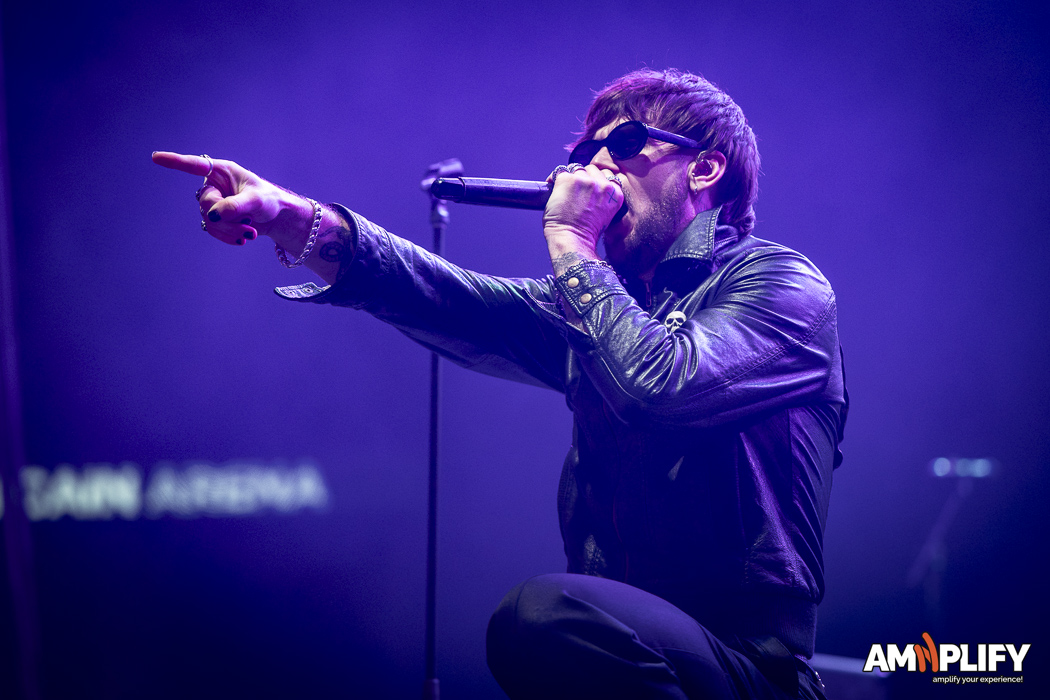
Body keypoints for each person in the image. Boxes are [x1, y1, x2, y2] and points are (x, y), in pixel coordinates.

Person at [154, 68, 846, 699]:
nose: (597, 165)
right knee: (539, 629)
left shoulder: (783, 287)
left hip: (749, 671)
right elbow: (442, 297)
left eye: (627, 143)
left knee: (540, 617)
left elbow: (660, 388)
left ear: (705, 168)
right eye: (587, 152)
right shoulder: (597, 308)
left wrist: (572, 241)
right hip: (627, 646)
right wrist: (289, 217)